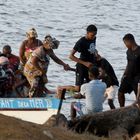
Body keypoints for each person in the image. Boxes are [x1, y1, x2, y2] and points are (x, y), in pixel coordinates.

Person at [56, 25, 98, 96]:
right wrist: (85, 63)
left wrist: (96, 53)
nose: (93, 36)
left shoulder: (94, 38)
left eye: (95, 34)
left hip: (90, 66)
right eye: (92, 35)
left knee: (91, 86)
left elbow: (92, 49)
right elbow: (71, 56)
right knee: (77, 88)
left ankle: (77, 96)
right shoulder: (81, 42)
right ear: (87, 33)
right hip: (81, 66)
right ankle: (60, 88)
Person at [118, 34, 140, 107]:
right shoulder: (128, 51)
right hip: (128, 76)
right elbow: (128, 64)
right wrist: (124, 75)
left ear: (130, 41)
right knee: (120, 92)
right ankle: (122, 109)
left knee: (138, 97)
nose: (125, 45)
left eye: (125, 43)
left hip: (137, 78)